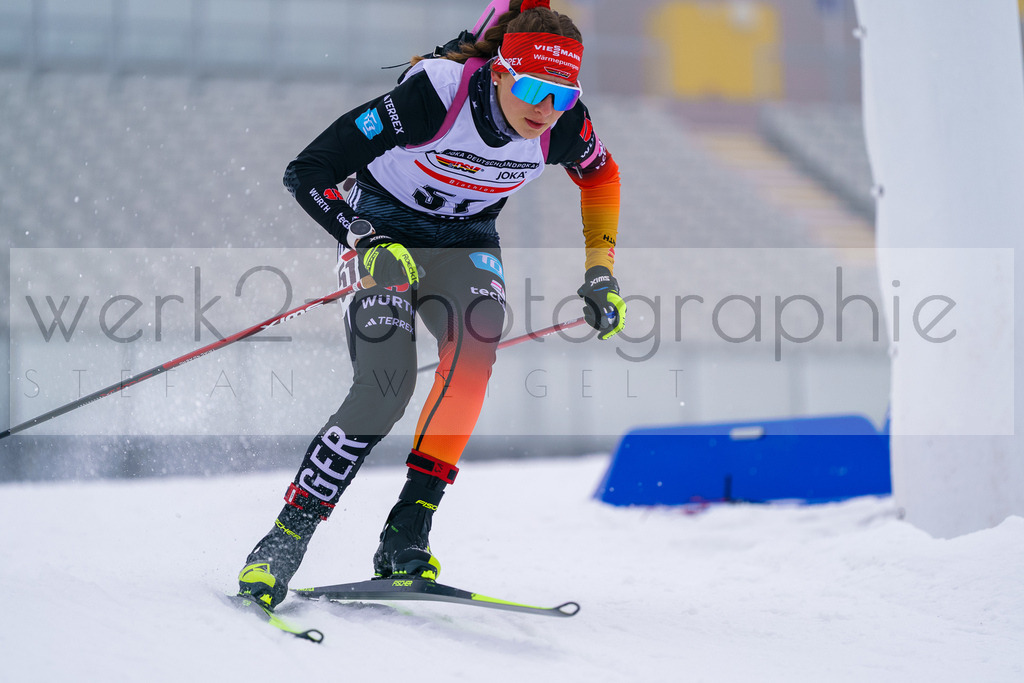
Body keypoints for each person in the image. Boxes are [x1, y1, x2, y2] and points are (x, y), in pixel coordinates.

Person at [237, 0, 625, 609]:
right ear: (498, 71)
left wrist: (600, 272)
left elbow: (601, 176)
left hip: (467, 242)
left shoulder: (562, 126)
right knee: (385, 388)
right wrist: (363, 238)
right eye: (530, 87)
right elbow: (306, 172)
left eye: (563, 94)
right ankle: (285, 538)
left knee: (477, 346)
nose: (545, 109)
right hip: (384, 232)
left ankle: (405, 535)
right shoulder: (434, 97)